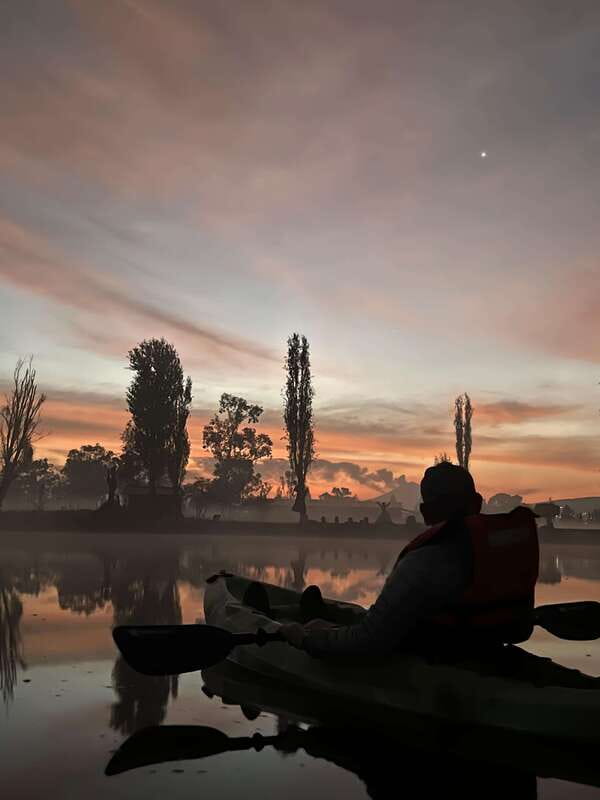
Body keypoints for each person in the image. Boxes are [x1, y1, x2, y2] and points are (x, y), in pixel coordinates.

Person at [279, 461, 539, 658]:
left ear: (426, 512)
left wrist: (304, 639)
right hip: (488, 647)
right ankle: (324, 614)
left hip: (433, 655)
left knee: (327, 627)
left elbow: (367, 641)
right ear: (478, 503)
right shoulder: (501, 547)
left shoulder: (423, 562)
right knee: (345, 619)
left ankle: (313, 620)